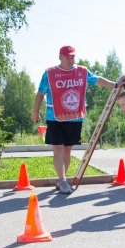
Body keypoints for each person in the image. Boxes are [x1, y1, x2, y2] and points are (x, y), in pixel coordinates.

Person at [31, 45, 119, 194]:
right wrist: (35, 112)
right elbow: (40, 94)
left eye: (73, 56)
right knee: (58, 149)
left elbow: (96, 79)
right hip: (55, 117)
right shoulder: (50, 73)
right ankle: (63, 180)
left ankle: (61, 179)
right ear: (60, 57)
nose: (71, 59)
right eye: (67, 56)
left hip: (74, 118)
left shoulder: (81, 71)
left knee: (67, 150)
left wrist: (115, 85)